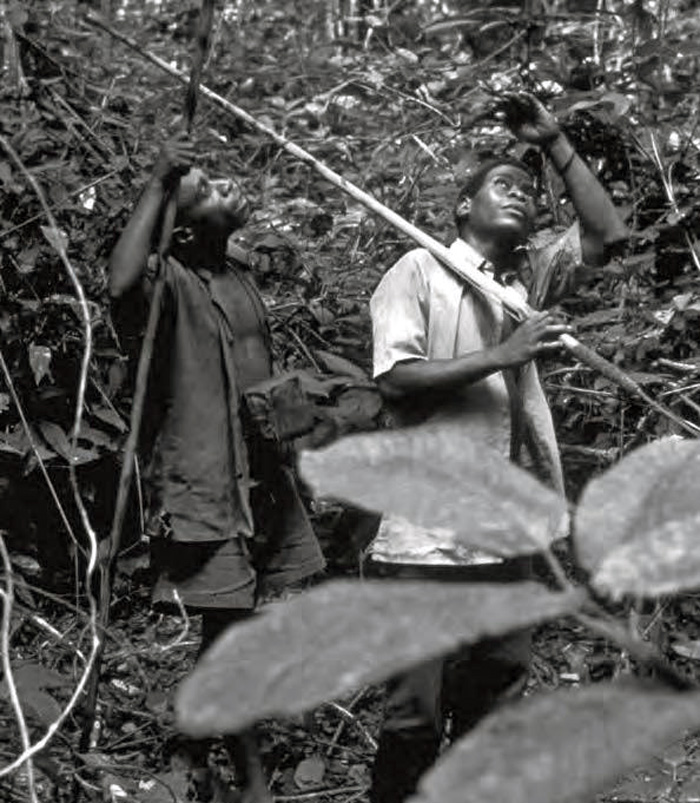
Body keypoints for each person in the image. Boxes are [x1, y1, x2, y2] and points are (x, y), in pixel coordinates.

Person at [367, 92, 627, 803]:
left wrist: (554, 143)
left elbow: (606, 233)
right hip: (426, 539)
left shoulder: (524, 282)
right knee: (414, 717)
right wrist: (503, 352)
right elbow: (397, 381)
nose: (523, 197)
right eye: (502, 186)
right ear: (462, 209)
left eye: (530, 195)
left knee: (492, 709)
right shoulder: (416, 272)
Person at [109, 134, 325, 799]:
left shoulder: (238, 275)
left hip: (262, 478)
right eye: (205, 190)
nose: (224, 188)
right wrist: (160, 182)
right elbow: (120, 283)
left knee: (236, 625)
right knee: (229, 631)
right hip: (208, 483)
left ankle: (197, 740)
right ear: (180, 232)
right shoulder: (172, 282)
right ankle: (249, 773)